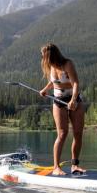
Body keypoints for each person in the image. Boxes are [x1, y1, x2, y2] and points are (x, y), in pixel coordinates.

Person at [39, 43, 86, 176]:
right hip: (58, 100)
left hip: (73, 98)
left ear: (50, 56)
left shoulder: (67, 64)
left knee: (78, 133)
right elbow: (53, 82)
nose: (43, 59)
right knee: (62, 134)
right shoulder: (51, 67)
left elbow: (75, 83)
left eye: (44, 56)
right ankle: (56, 167)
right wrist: (45, 89)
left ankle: (75, 165)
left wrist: (73, 100)